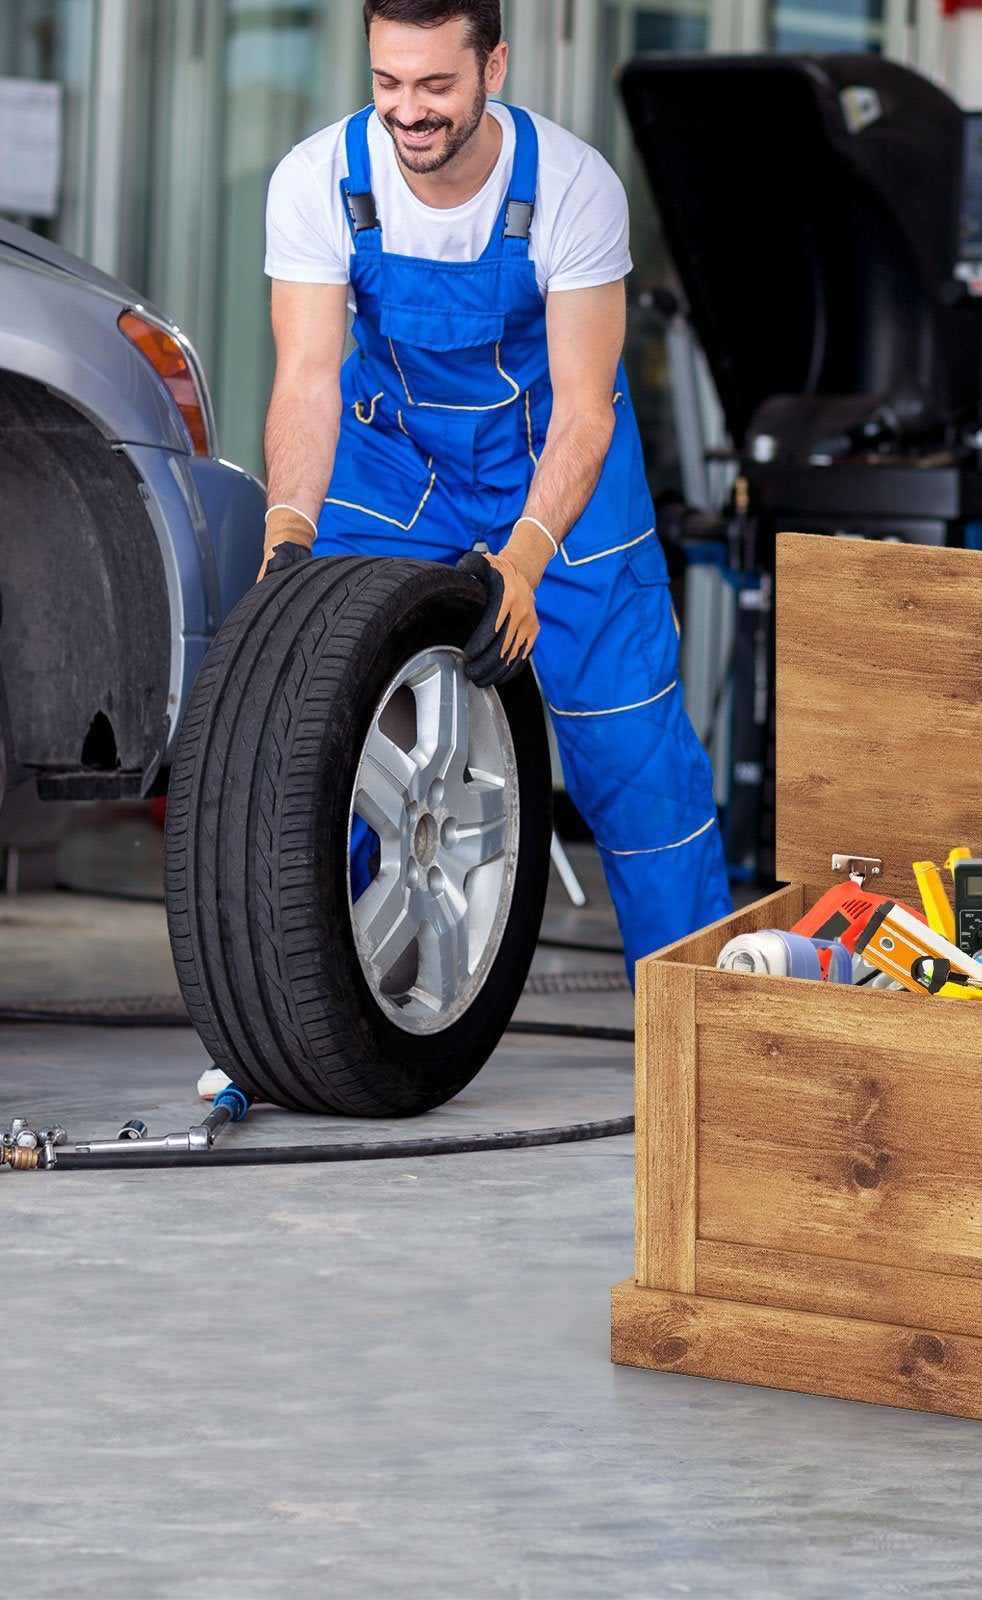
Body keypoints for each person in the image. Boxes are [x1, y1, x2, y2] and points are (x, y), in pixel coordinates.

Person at [260, 0, 732, 975]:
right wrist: (287, 533)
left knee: (635, 761)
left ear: (494, 67)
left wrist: (524, 558)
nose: (409, 110)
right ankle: (320, 1004)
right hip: (397, 465)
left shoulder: (571, 186)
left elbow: (586, 411)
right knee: (317, 726)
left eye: (436, 84)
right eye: (388, 82)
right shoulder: (319, 178)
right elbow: (306, 379)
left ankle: (697, 1021)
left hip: (557, 470)